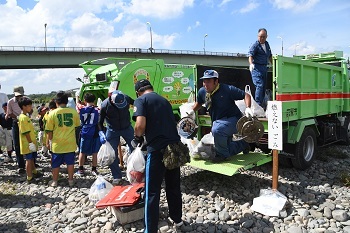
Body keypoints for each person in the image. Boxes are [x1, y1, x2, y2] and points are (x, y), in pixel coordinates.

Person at [132, 79, 183, 233]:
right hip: (173, 148)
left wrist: (137, 137)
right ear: (151, 88)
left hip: (157, 151)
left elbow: (140, 125)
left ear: (138, 92)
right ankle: (178, 220)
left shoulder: (141, 100)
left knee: (151, 192)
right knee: (173, 186)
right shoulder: (164, 101)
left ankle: (150, 229)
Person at [191, 70, 252, 163]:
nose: (205, 84)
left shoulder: (227, 89)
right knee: (225, 147)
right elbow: (199, 102)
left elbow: (246, 95)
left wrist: (248, 108)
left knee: (217, 130)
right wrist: (192, 111)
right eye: (204, 81)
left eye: (208, 81)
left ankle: (222, 156)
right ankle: (243, 144)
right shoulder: (202, 91)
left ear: (216, 82)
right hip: (218, 122)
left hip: (234, 120)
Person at [98, 90, 134, 185]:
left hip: (127, 127)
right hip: (112, 130)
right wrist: (101, 132)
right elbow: (100, 122)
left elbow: (136, 104)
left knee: (135, 148)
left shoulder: (126, 98)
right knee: (111, 154)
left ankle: (136, 172)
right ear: (112, 101)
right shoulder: (105, 105)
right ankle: (117, 176)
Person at [45, 91, 80, 187]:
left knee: (55, 164)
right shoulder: (73, 112)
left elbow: (49, 130)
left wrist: (48, 142)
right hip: (70, 142)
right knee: (70, 163)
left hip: (57, 144)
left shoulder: (52, 113)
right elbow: (77, 126)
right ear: (67, 101)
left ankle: (55, 181)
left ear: (56, 102)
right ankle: (71, 181)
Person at [17, 97, 41, 183]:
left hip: (30, 141)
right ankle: (29, 177)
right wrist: (30, 143)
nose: (31, 107)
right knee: (28, 159)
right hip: (27, 142)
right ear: (24, 106)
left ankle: (34, 172)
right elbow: (26, 132)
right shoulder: (23, 118)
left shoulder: (25, 116)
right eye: (29, 106)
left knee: (31, 158)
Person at [76, 93, 100, 176]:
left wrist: (77, 97)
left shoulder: (81, 109)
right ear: (94, 100)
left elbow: (77, 104)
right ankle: (94, 169)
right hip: (95, 132)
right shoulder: (97, 110)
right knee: (95, 152)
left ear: (85, 100)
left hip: (85, 132)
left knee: (82, 152)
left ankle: (80, 169)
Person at [248, 28, 272, 107]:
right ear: (257, 36)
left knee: (263, 87)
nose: (261, 38)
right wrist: (251, 64)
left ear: (266, 37)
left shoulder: (267, 44)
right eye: (260, 36)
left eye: (263, 37)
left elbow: (270, 56)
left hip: (264, 68)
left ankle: (261, 105)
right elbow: (250, 55)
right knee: (260, 85)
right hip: (256, 68)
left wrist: (274, 65)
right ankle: (257, 104)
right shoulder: (255, 45)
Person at [6, 86, 26, 173]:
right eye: (17, 96)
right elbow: (9, 113)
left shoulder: (26, 100)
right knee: (17, 144)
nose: (19, 98)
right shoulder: (10, 102)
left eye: (20, 96)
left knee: (29, 142)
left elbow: (31, 110)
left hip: (25, 122)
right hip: (16, 123)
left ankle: (32, 163)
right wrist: (18, 117)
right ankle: (21, 165)